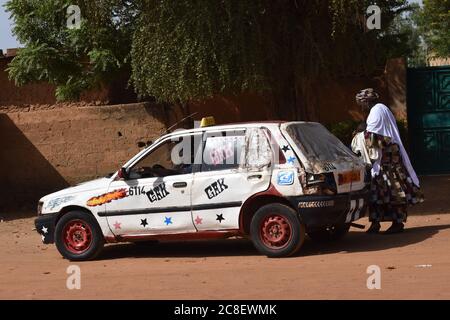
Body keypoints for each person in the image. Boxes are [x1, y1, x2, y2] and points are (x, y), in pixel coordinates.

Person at [355, 88, 424, 234]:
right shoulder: (381, 108)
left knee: (394, 192)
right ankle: (376, 224)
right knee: (377, 194)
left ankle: (397, 223)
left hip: (388, 161)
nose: (362, 107)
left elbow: (376, 139)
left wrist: (363, 133)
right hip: (383, 161)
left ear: (366, 101)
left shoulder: (376, 112)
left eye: (362, 103)